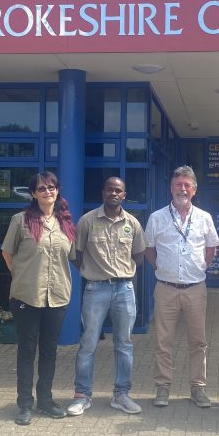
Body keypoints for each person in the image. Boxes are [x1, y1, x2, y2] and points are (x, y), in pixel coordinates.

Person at [66, 177, 147, 417]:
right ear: (103, 192)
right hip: (95, 289)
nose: (114, 192)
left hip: (124, 290)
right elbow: (76, 254)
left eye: (118, 190)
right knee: (88, 343)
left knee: (124, 344)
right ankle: (82, 396)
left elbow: (139, 256)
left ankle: (121, 395)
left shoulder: (132, 223)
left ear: (124, 195)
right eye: (110, 189)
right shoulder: (87, 221)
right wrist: (93, 272)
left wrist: (122, 274)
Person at [1, 172, 77, 426]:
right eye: (41, 188)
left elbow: (72, 255)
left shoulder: (65, 222)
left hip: (57, 297)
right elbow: (7, 253)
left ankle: (45, 400)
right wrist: (22, 276)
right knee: (26, 351)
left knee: (49, 351)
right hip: (26, 296)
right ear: (33, 193)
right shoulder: (20, 220)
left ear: (58, 190)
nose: (47, 192)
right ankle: (25, 404)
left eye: (51, 187)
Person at [145, 165, 219, 408]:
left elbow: (211, 249)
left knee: (198, 341)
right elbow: (148, 249)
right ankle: (162, 387)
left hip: (195, 289)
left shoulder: (204, 218)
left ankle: (198, 388)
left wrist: (199, 268)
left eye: (187, 185)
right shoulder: (157, 217)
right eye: (178, 184)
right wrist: (160, 268)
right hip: (165, 288)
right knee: (162, 340)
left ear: (194, 190)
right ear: (171, 187)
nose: (183, 189)